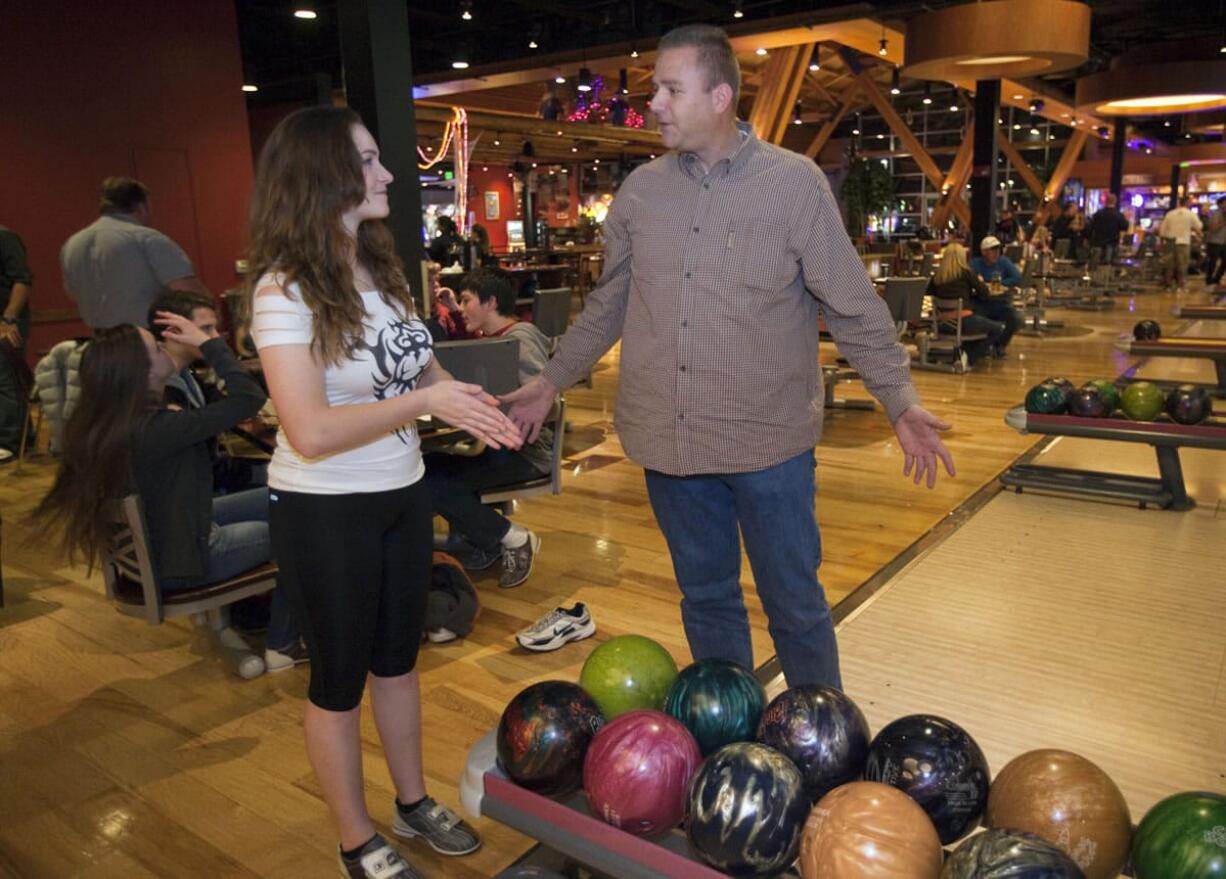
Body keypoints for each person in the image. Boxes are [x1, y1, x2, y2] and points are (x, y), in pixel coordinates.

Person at [504, 24, 954, 691]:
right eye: (654, 86)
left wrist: (900, 398)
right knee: (707, 601)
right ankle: (732, 736)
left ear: (720, 95)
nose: (652, 101)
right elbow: (609, 304)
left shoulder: (795, 185)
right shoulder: (642, 193)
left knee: (795, 605)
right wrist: (548, 381)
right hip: (672, 445)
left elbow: (852, 303)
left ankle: (819, 735)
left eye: (669, 88)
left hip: (768, 445)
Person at [243, 106, 520, 878]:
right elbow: (310, 430)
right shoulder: (281, 291)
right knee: (339, 681)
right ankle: (354, 837)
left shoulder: (380, 270)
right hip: (324, 509)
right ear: (323, 175)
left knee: (398, 662)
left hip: (402, 491)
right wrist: (425, 403)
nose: (389, 173)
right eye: (369, 160)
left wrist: (462, 395)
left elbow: (416, 369)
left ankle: (412, 800)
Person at [27, 317, 304, 669]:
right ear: (141, 374)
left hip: (174, 535)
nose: (164, 348)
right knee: (300, 531)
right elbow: (249, 398)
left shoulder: (114, 423)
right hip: (186, 556)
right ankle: (283, 643)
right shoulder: (157, 429)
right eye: (156, 347)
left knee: (282, 497)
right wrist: (207, 344)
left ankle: (266, 620)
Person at [424, 267, 549, 588]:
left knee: (431, 481)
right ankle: (486, 541)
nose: (461, 308)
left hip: (527, 450)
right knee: (426, 468)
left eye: (466, 301)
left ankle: (510, 537)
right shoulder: (497, 339)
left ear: (490, 303)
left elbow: (545, 394)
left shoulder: (518, 340)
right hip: (506, 443)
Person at [60, 177, 208, 329]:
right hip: (146, 337)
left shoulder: (73, 244)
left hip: (101, 341)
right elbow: (188, 290)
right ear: (141, 206)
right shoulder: (146, 238)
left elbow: (72, 293)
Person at [927, 243, 1005, 365]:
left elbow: (929, 294)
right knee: (998, 328)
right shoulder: (966, 272)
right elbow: (984, 293)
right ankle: (968, 357)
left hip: (941, 324)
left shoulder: (937, 275)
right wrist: (978, 283)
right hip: (963, 322)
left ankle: (961, 354)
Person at [0, 226, 34, 462]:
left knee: (7, 378)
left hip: (6, 321)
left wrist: (8, 319)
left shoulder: (4, 237)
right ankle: (26, 436)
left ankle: (8, 443)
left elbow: (22, 280)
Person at [968, 236, 1023, 356]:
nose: (996, 253)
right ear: (984, 252)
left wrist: (1000, 284)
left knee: (1016, 319)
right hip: (980, 303)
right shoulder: (974, 264)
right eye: (992, 250)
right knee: (976, 319)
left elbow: (1017, 277)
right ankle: (982, 347)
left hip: (999, 303)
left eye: (998, 250)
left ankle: (999, 345)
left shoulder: (1003, 261)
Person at [1159, 197, 1203, 291]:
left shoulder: (1170, 214)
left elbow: (1162, 230)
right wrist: (1199, 236)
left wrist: (1162, 241)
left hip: (1170, 241)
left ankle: (1168, 285)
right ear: (1187, 203)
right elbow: (1198, 226)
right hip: (1183, 241)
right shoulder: (1190, 214)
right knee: (1182, 265)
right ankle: (1180, 285)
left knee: (1169, 265)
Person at [1087, 193, 1130, 268]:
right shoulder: (1118, 215)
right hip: (1112, 244)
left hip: (1098, 244)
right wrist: (1126, 218)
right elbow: (1125, 227)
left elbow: (1090, 228)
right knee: (1110, 267)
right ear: (1115, 201)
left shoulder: (1098, 214)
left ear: (1106, 201)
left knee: (1097, 266)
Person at [1200, 197, 1225, 291]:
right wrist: (1223, 223)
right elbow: (1213, 229)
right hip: (1214, 242)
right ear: (1220, 204)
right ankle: (1209, 281)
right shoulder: (1215, 214)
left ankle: (1216, 280)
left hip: (1223, 242)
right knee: (1212, 263)